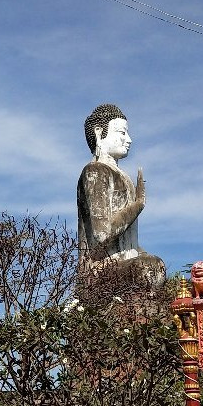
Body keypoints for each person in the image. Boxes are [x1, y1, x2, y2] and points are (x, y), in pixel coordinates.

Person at [76, 103, 165, 293]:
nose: (129, 140)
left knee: (155, 266)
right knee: (148, 268)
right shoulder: (94, 171)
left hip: (124, 262)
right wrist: (138, 205)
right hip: (99, 270)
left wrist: (141, 253)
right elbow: (102, 234)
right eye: (122, 133)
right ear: (99, 132)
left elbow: (129, 243)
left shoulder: (123, 176)